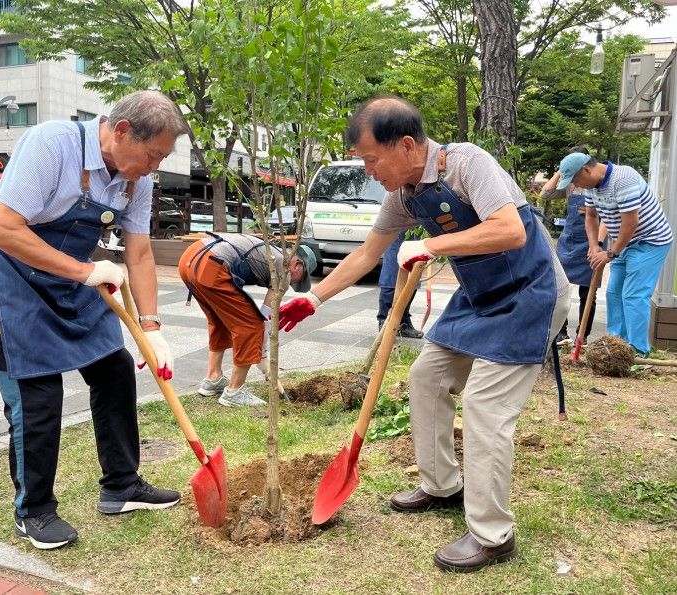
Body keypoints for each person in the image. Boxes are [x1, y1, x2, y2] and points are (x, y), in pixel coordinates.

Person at [278, 96, 570, 572]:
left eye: (372, 159)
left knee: (486, 407)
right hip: (480, 296)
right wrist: (314, 298)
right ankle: (441, 485)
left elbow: (510, 230)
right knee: (426, 377)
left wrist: (433, 244)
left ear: (407, 144)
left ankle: (493, 536)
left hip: (531, 294)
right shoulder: (404, 195)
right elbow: (367, 254)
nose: (369, 172)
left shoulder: (468, 164)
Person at [0, 90, 189, 550]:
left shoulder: (135, 178)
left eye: (161, 158)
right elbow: (3, 229)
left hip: (68, 279)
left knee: (115, 368)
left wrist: (151, 326)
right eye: (152, 155)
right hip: (5, 279)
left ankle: (122, 485)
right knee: (37, 392)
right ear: (121, 131)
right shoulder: (52, 145)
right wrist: (87, 271)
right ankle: (35, 511)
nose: (153, 167)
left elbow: (140, 252)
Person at [179, 233, 316, 407]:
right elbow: (266, 315)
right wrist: (262, 353)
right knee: (251, 326)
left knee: (219, 321)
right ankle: (234, 392)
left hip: (190, 258)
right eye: (302, 278)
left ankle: (213, 378)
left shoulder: (273, 252)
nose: (292, 284)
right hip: (211, 264)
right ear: (297, 265)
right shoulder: (284, 268)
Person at [556, 152, 673, 356]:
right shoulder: (593, 187)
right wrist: (594, 246)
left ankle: (637, 351)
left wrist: (610, 253)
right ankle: (615, 346)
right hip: (624, 242)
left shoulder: (623, 179)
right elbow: (591, 216)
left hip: (650, 241)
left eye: (575, 180)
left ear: (586, 170)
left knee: (633, 294)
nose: (576, 185)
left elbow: (631, 222)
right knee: (613, 293)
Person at [541, 146, 607, 346]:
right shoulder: (569, 184)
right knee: (560, 286)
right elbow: (545, 194)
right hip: (569, 239)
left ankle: (582, 335)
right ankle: (561, 333)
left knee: (588, 291)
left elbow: (607, 215)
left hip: (591, 240)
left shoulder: (597, 182)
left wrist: (597, 243)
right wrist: (562, 170)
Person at [377, 231, 424, 338]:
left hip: (418, 234)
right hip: (398, 230)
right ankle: (384, 321)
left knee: (413, 277)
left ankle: (403, 323)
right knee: (391, 275)